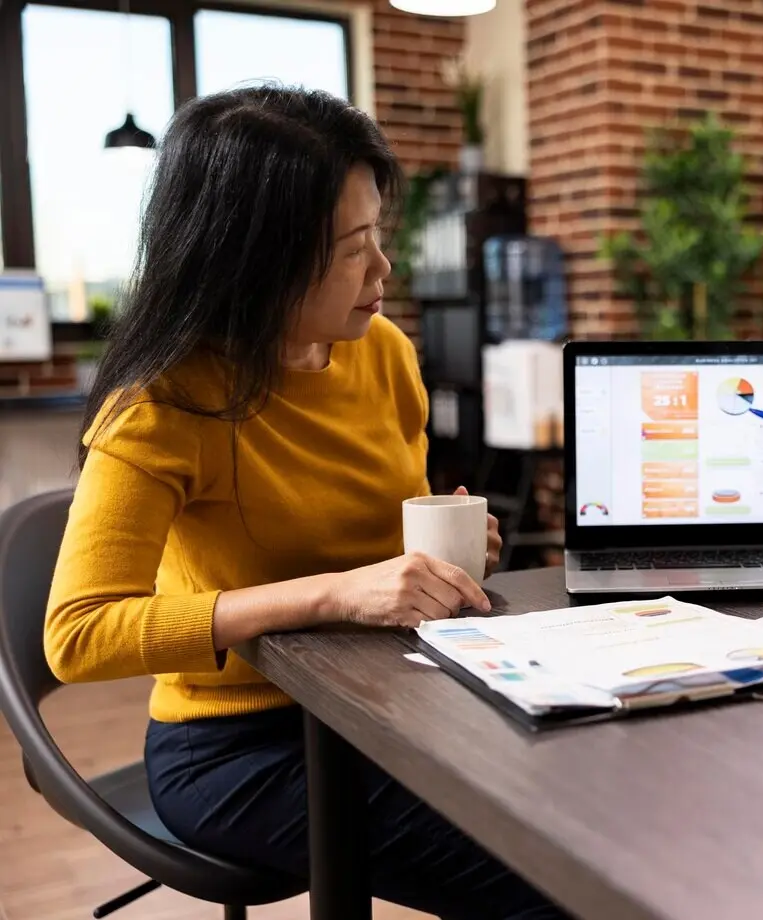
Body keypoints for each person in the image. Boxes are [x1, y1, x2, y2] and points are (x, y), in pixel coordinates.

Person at [44, 86, 563, 919]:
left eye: (379, 237)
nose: (383, 270)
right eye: (353, 248)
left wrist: (447, 557)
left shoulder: (383, 351)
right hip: (236, 748)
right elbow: (77, 635)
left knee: (591, 807)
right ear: (254, 258)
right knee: (547, 875)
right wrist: (334, 594)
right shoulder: (162, 407)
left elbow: (381, 524)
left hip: (394, 702)